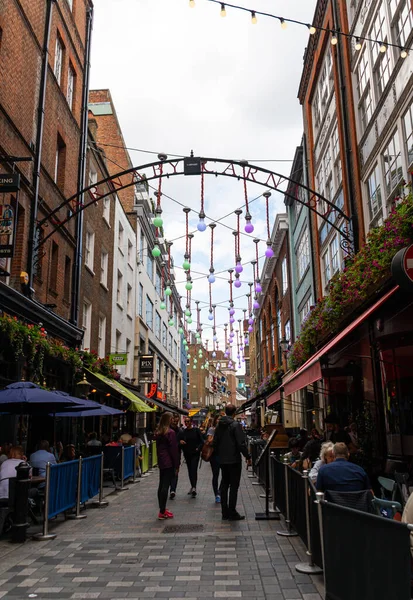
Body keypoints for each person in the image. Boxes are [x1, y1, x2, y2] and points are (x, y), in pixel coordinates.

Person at [213, 404, 251, 521]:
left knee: (224, 484)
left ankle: (225, 512)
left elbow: (215, 442)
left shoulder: (219, 426)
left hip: (223, 460)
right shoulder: (235, 425)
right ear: (234, 413)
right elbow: (241, 443)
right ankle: (232, 511)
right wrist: (247, 456)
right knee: (234, 486)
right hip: (234, 460)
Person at [154, 412, 179, 520]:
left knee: (161, 485)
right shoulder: (170, 433)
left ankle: (162, 509)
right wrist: (177, 465)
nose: (173, 420)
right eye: (172, 419)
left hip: (162, 461)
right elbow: (174, 450)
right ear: (168, 420)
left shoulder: (158, 432)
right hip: (168, 461)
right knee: (165, 486)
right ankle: (162, 511)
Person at [178, 417, 204, 498]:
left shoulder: (196, 430)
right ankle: (192, 486)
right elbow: (179, 440)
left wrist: (198, 448)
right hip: (187, 453)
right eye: (185, 421)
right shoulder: (183, 431)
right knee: (190, 470)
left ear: (191, 422)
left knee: (193, 469)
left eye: (188, 421)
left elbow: (202, 441)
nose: (186, 423)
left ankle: (194, 487)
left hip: (195, 453)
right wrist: (181, 442)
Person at [206, 415, 221, 503]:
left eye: (220, 419)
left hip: (223, 454)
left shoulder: (225, 430)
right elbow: (209, 441)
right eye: (218, 419)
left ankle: (220, 491)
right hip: (214, 455)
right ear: (215, 420)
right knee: (215, 475)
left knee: (226, 476)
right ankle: (216, 494)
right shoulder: (212, 429)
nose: (219, 421)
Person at [169, 415, 182, 499]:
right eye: (174, 421)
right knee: (170, 472)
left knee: (175, 472)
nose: (175, 423)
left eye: (177, 421)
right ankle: (171, 487)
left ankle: (173, 489)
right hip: (168, 454)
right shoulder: (167, 430)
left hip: (177, 454)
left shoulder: (180, 431)